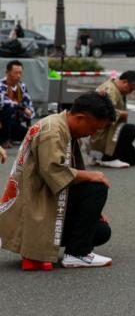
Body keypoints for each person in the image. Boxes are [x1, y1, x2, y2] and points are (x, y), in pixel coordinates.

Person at [0, 92, 113, 270]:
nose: (91, 134)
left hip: (41, 196)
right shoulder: (53, 131)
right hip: (36, 202)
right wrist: (90, 176)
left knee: (100, 231)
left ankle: (52, 250)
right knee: (96, 185)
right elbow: (53, 170)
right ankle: (77, 254)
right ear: (80, 117)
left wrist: (91, 208)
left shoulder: (60, 125)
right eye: (92, 129)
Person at [90, 69, 135, 168]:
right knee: (131, 129)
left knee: (134, 159)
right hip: (102, 133)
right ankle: (107, 158)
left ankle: (98, 157)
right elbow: (104, 112)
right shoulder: (110, 90)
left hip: (103, 133)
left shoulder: (115, 89)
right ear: (124, 82)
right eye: (131, 89)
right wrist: (122, 114)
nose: (131, 92)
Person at [0, 60, 34, 146]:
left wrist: (29, 123)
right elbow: (4, 103)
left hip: (13, 123)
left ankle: (9, 137)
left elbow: (29, 105)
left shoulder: (22, 86)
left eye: (20, 73)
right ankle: (5, 140)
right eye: (15, 73)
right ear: (7, 72)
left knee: (29, 136)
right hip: (1, 121)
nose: (18, 76)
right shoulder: (1, 85)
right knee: (8, 108)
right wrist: (22, 108)